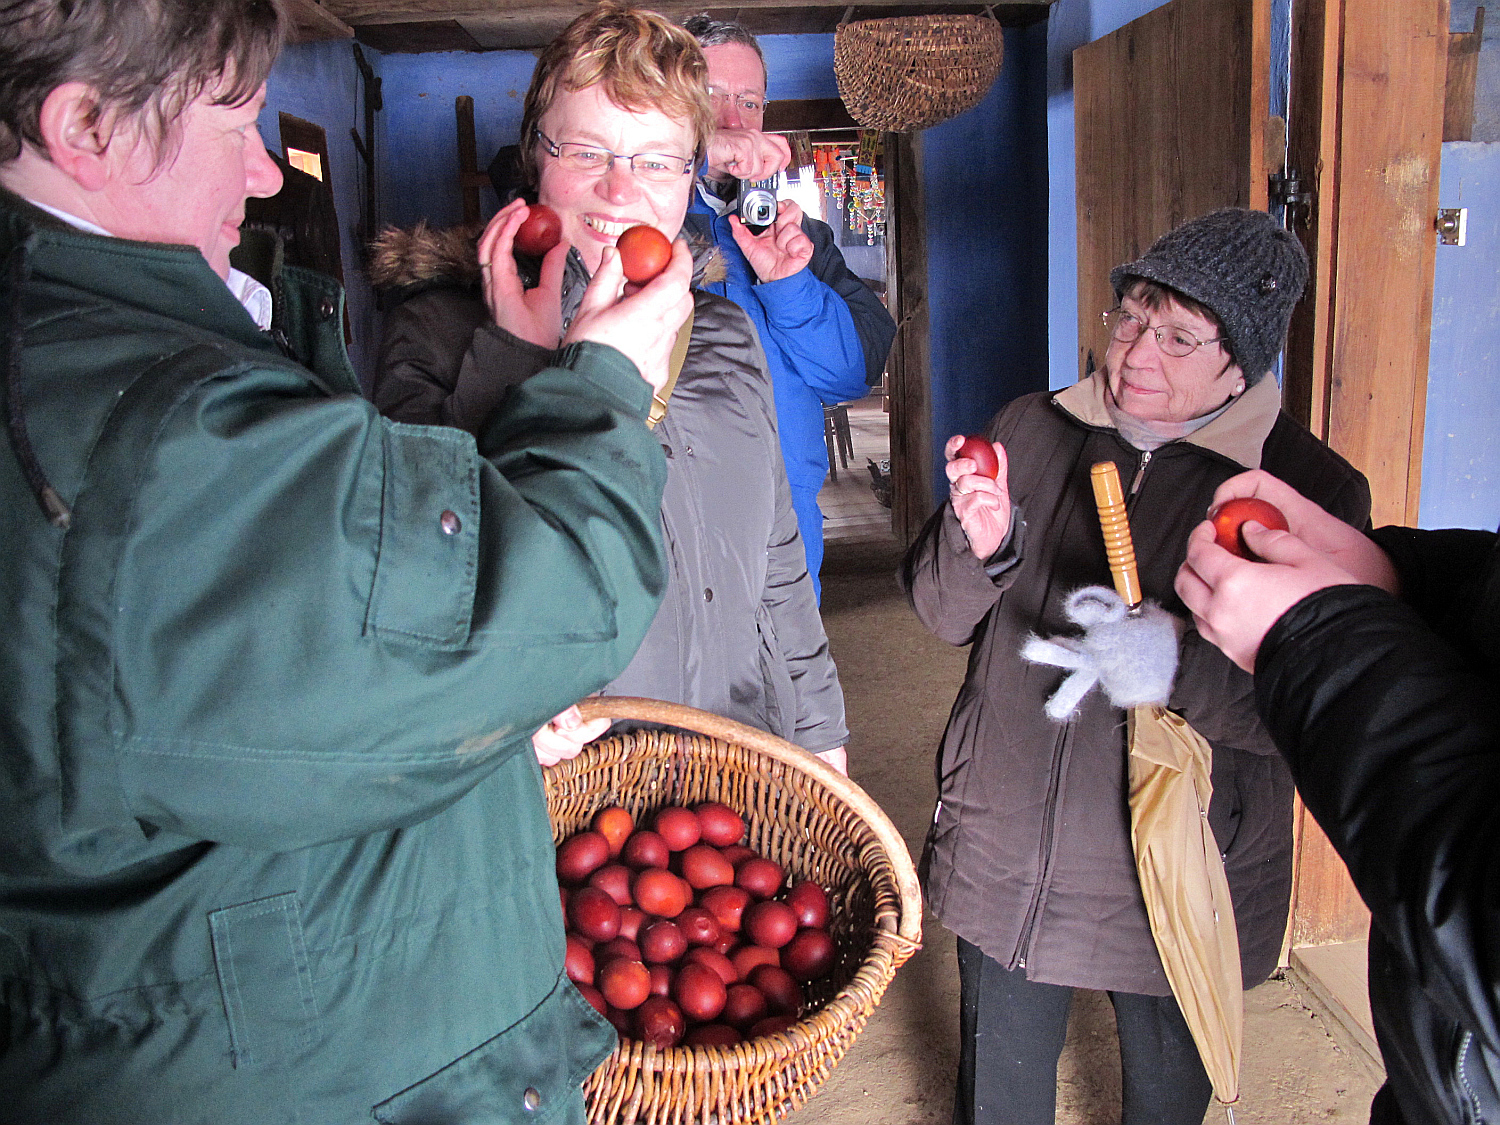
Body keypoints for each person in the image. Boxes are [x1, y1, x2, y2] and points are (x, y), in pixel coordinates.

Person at [0, 0, 698, 1118]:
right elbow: (509, 590)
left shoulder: (102, 350)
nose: (271, 175)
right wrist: (587, 380)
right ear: (86, 127)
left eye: (659, 158)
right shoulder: (169, 428)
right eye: (238, 123)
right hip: (315, 1062)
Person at [899, 208, 1372, 1125]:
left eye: (1181, 336)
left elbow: (1309, 712)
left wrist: (1175, 667)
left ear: (1243, 363)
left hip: (1178, 870)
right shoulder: (1031, 429)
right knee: (997, 1098)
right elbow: (935, 610)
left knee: (1163, 1099)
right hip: (1010, 851)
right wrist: (980, 544)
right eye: (1132, 318)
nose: (1135, 354)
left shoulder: (1305, 493)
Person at [372, 3, 849, 774]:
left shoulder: (727, 338)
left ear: (694, 174)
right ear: (536, 154)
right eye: (587, 150)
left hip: (743, 773)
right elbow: (421, 584)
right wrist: (519, 363)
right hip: (572, 797)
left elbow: (778, 564)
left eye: (657, 160)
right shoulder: (435, 339)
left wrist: (823, 739)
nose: (620, 190)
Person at [1177, 472, 1500, 1125]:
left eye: (1180, 355)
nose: (1135, 361)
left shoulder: (1319, 469)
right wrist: (1398, 583)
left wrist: (1319, 639)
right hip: (1434, 1082)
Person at [680, 14, 896, 599]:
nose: (733, 121)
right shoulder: (636, 221)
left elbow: (849, 375)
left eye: (748, 103)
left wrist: (788, 283)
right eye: (710, 98)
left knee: (790, 683)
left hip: (784, 527)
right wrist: (686, 155)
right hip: (668, 529)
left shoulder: (801, 239)